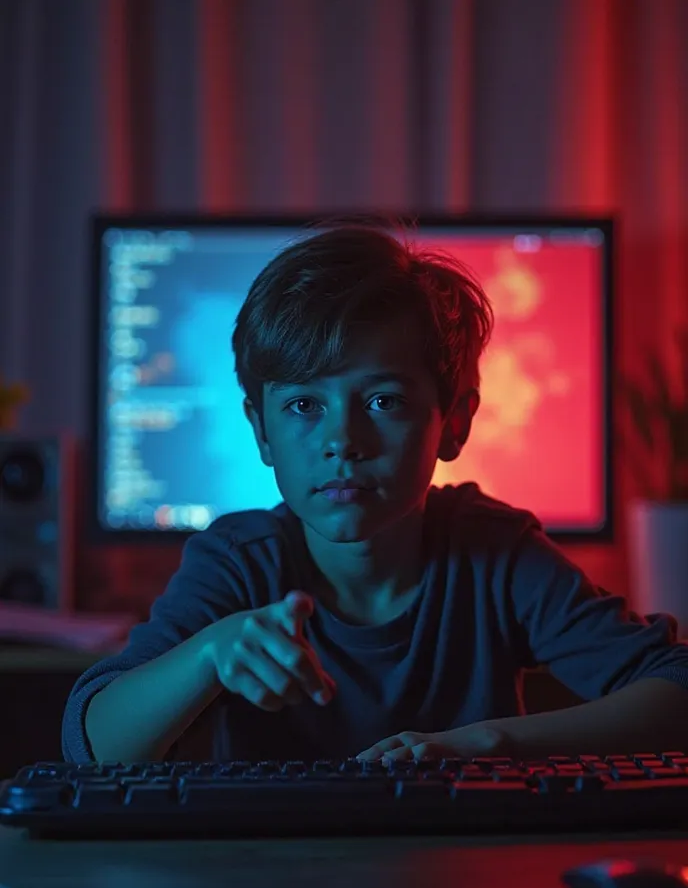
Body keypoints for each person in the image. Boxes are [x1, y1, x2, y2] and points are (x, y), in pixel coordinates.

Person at [63, 223, 688, 766]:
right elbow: (93, 746)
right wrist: (207, 653)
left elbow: (676, 684)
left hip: (459, 885)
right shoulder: (239, 561)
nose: (343, 440)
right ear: (261, 431)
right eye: (304, 405)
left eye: (383, 401)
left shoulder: (495, 555)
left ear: (454, 423)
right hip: (271, 886)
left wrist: (491, 742)